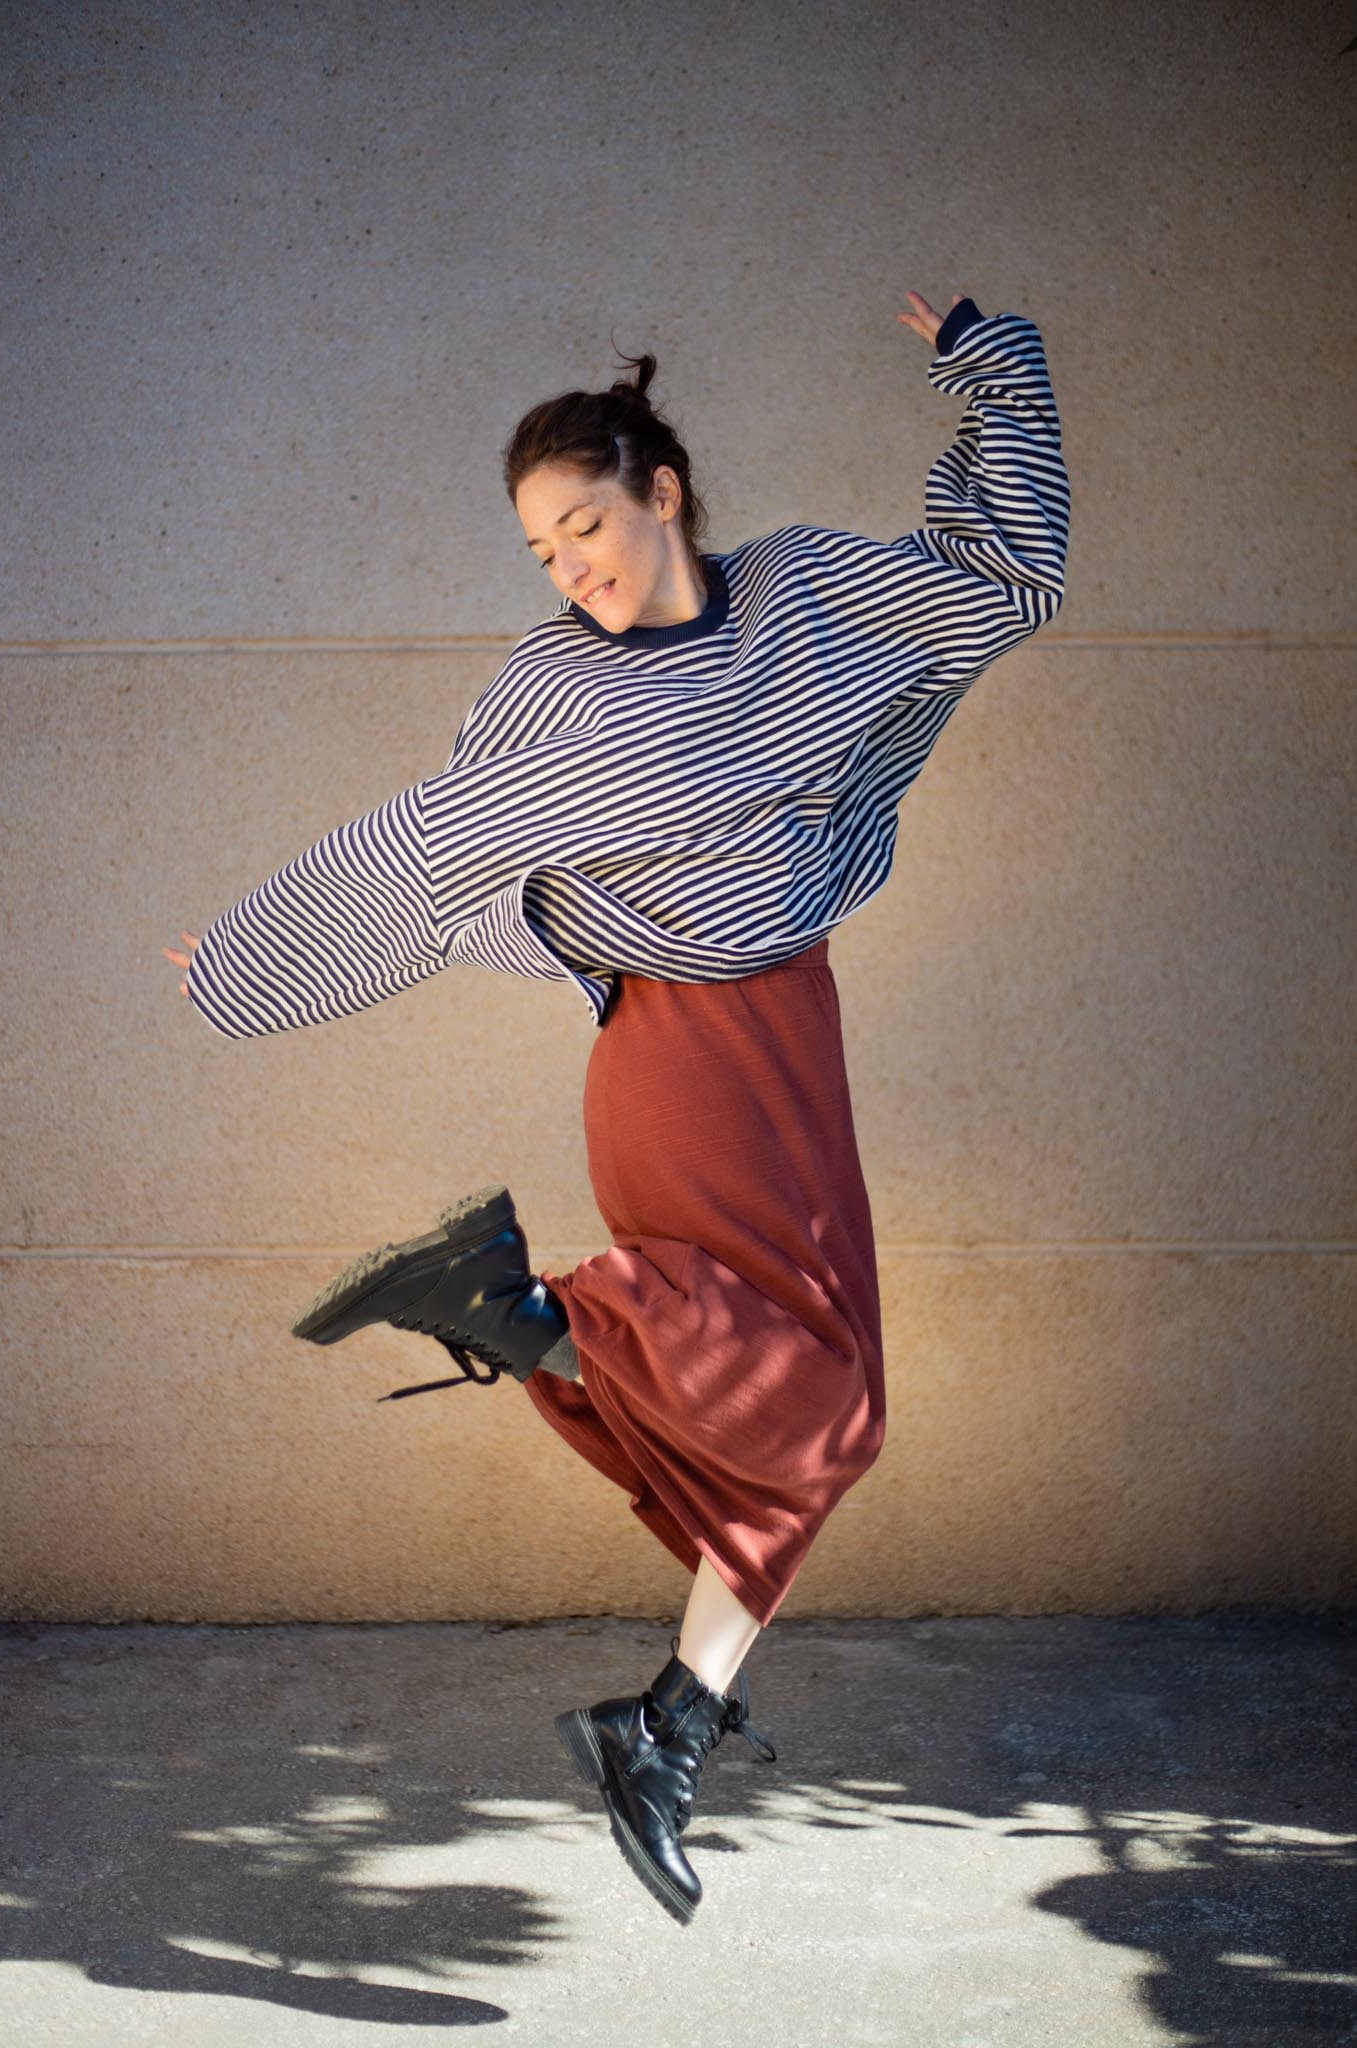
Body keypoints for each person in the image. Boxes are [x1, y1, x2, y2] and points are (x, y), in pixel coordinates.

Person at [162, 288, 1070, 1924]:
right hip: (677, 1057)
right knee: (826, 1407)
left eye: (584, 522)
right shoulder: (553, 697)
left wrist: (990, 367)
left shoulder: (807, 597)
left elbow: (999, 582)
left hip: (794, 1029)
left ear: (663, 487)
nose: (570, 565)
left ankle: (664, 1727)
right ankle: (512, 1309)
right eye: (541, 552)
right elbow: (420, 845)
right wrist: (242, 955)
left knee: (800, 1445)